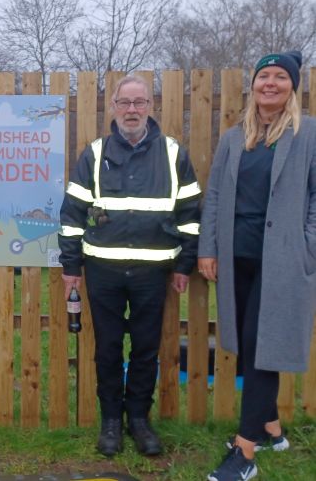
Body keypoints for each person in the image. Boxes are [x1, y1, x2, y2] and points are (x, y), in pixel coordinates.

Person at [58, 75, 201, 457]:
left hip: (153, 273)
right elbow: (72, 215)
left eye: (139, 103)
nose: (132, 110)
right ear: (114, 107)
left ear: (151, 106)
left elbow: (190, 216)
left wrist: (185, 264)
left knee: (145, 349)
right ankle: (110, 422)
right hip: (102, 271)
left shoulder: (173, 153)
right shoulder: (93, 153)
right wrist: (71, 265)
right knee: (107, 349)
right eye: (125, 103)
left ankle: (138, 419)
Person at [199, 51, 316, 481]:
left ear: (293, 86)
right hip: (238, 257)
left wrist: (309, 245)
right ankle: (271, 428)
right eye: (264, 75)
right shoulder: (234, 138)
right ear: (253, 85)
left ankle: (245, 453)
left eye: (280, 76)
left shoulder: (309, 135)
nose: (271, 83)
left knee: (262, 346)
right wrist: (208, 248)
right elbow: (214, 196)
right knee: (250, 347)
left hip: (284, 259)